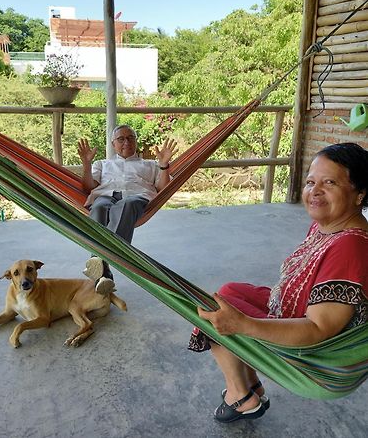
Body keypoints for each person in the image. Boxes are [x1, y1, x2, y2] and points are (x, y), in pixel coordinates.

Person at [188, 142, 368, 424]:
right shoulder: (330, 226)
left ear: (360, 194)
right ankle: (251, 384)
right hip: (297, 316)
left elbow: (319, 328)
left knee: (211, 310)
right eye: (310, 182)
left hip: (315, 358)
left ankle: (241, 396)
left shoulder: (350, 247)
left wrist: (244, 324)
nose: (314, 191)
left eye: (329, 182)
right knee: (229, 292)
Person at [78, 124, 178, 294]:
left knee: (126, 204)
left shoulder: (151, 164)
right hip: (105, 196)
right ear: (113, 144)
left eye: (131, 138)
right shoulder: (102, 164)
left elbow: (163, 188)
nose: (126, 142)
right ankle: (104, 272)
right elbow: (88, 187)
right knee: (99, 207)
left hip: (137, 197)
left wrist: (164, 166)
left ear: (136, 141)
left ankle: (98, 258)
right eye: (121, 138)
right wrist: (87, 164)